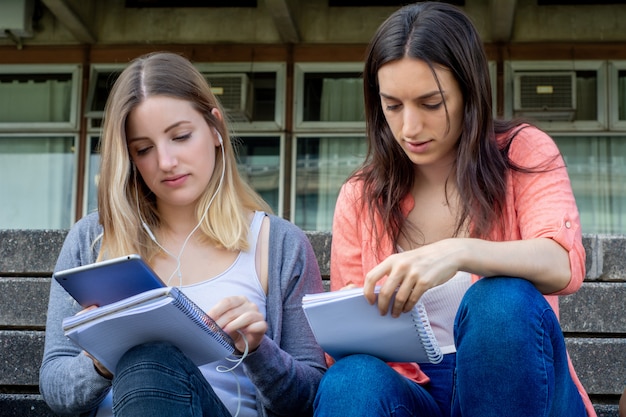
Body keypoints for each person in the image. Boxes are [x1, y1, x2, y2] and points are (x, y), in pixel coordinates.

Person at [313, 2, 596, 417]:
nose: (409, 127)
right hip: (415, 393)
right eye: (393, 105)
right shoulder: (362, 195)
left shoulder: (522, 150)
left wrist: (457, 252)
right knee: (351, 381)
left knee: (500, 299)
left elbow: (563, 263)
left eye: (431, 104)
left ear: (469, 92)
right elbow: (350, 341)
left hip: (522, 384)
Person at [39, 51, 327, 417]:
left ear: (216, 130)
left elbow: (312, 399)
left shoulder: (279, 244)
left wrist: (258, 350)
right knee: (147, 360)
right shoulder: (93, 240)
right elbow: (55, 388)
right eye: (143, 149)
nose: (165, 162)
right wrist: (101, 358)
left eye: (180, 137)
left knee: (151, 360)